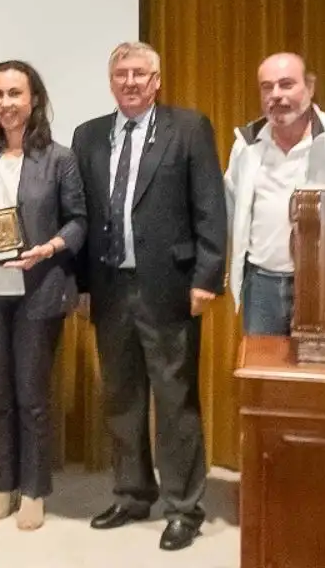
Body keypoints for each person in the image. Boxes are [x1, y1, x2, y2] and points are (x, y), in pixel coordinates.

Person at [71, 42, 227, 552]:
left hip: (170, 286)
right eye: (122, 74)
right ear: (111, 82)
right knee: (121, 397)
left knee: (175, 399)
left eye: (141, 74)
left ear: (157, 81)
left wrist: (207, 277)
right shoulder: (88, 135)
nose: (131, 82)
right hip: (109, 287)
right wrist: (82, 285)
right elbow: (82, 216)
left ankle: (183, 508)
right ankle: (133, 493)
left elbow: (210, 206)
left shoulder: (188, 128)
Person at [0, 60, 86, 531]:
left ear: (34, 99)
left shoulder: (59, 158)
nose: (6, 103)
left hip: (38, 292)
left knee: (31, 396)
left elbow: (78, 222)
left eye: (15, 93)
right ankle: (4, 483)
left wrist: (48, 248)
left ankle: (33, 490)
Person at [224, 52, 325, 334]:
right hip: (262, 286)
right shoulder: (246, 145)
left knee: (324, 362)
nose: (276, 95)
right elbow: (231, 210)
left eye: (286, 84)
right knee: (264, 362)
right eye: (267, 87)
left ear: (310, 87)